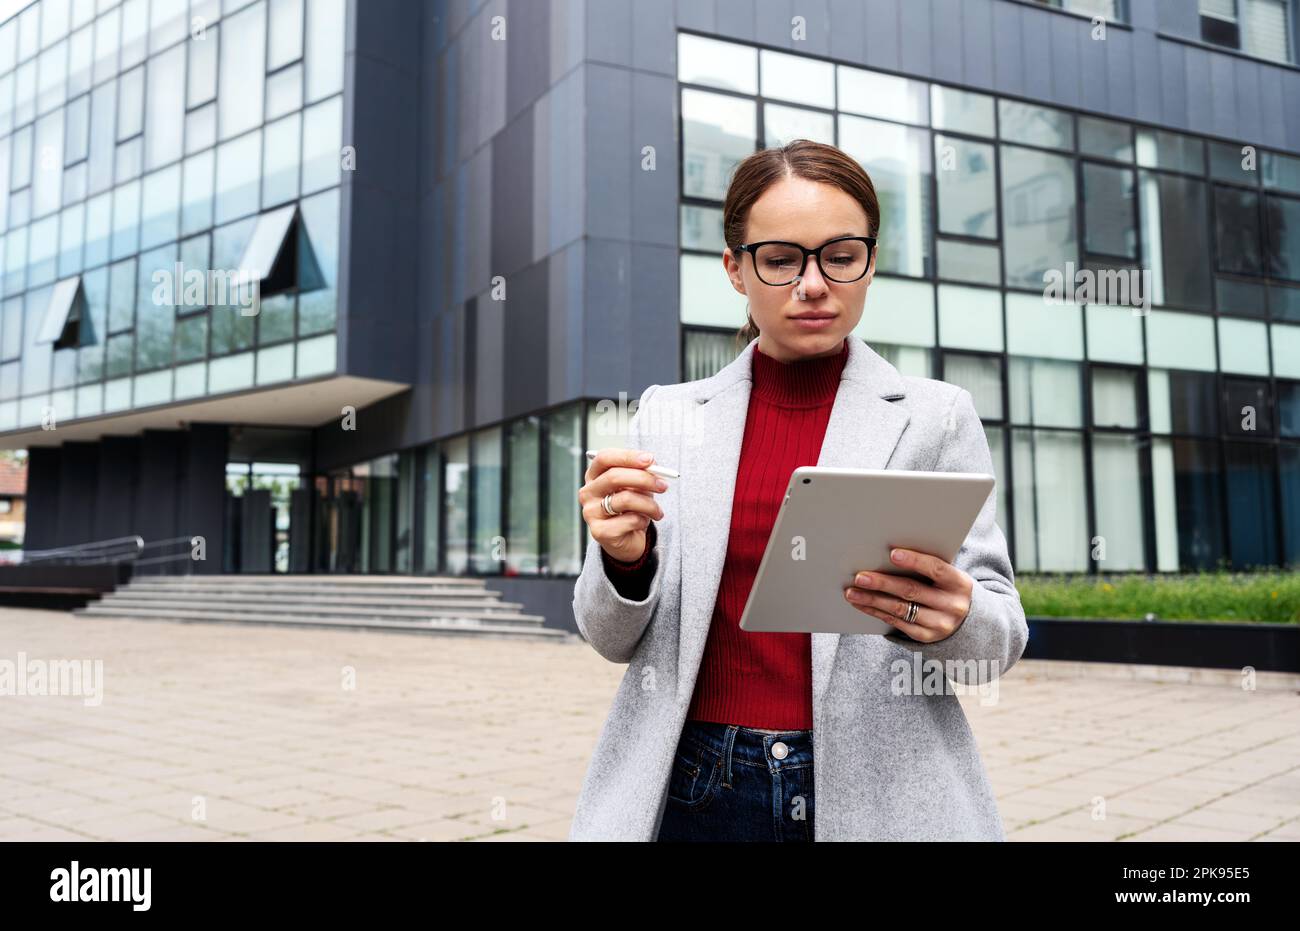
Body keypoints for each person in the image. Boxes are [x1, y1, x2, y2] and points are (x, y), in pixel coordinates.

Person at [570, 139, 1028, 842]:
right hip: (695, 782)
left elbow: (994, 648)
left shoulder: (936, 417)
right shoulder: (668, 414)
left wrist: (958, 617)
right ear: (735, 269)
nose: (813, 284)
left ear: (869, 262)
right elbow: (609, 637)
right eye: (781, 259)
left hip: (880, 789)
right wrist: (626, 562)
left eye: (840, 256)